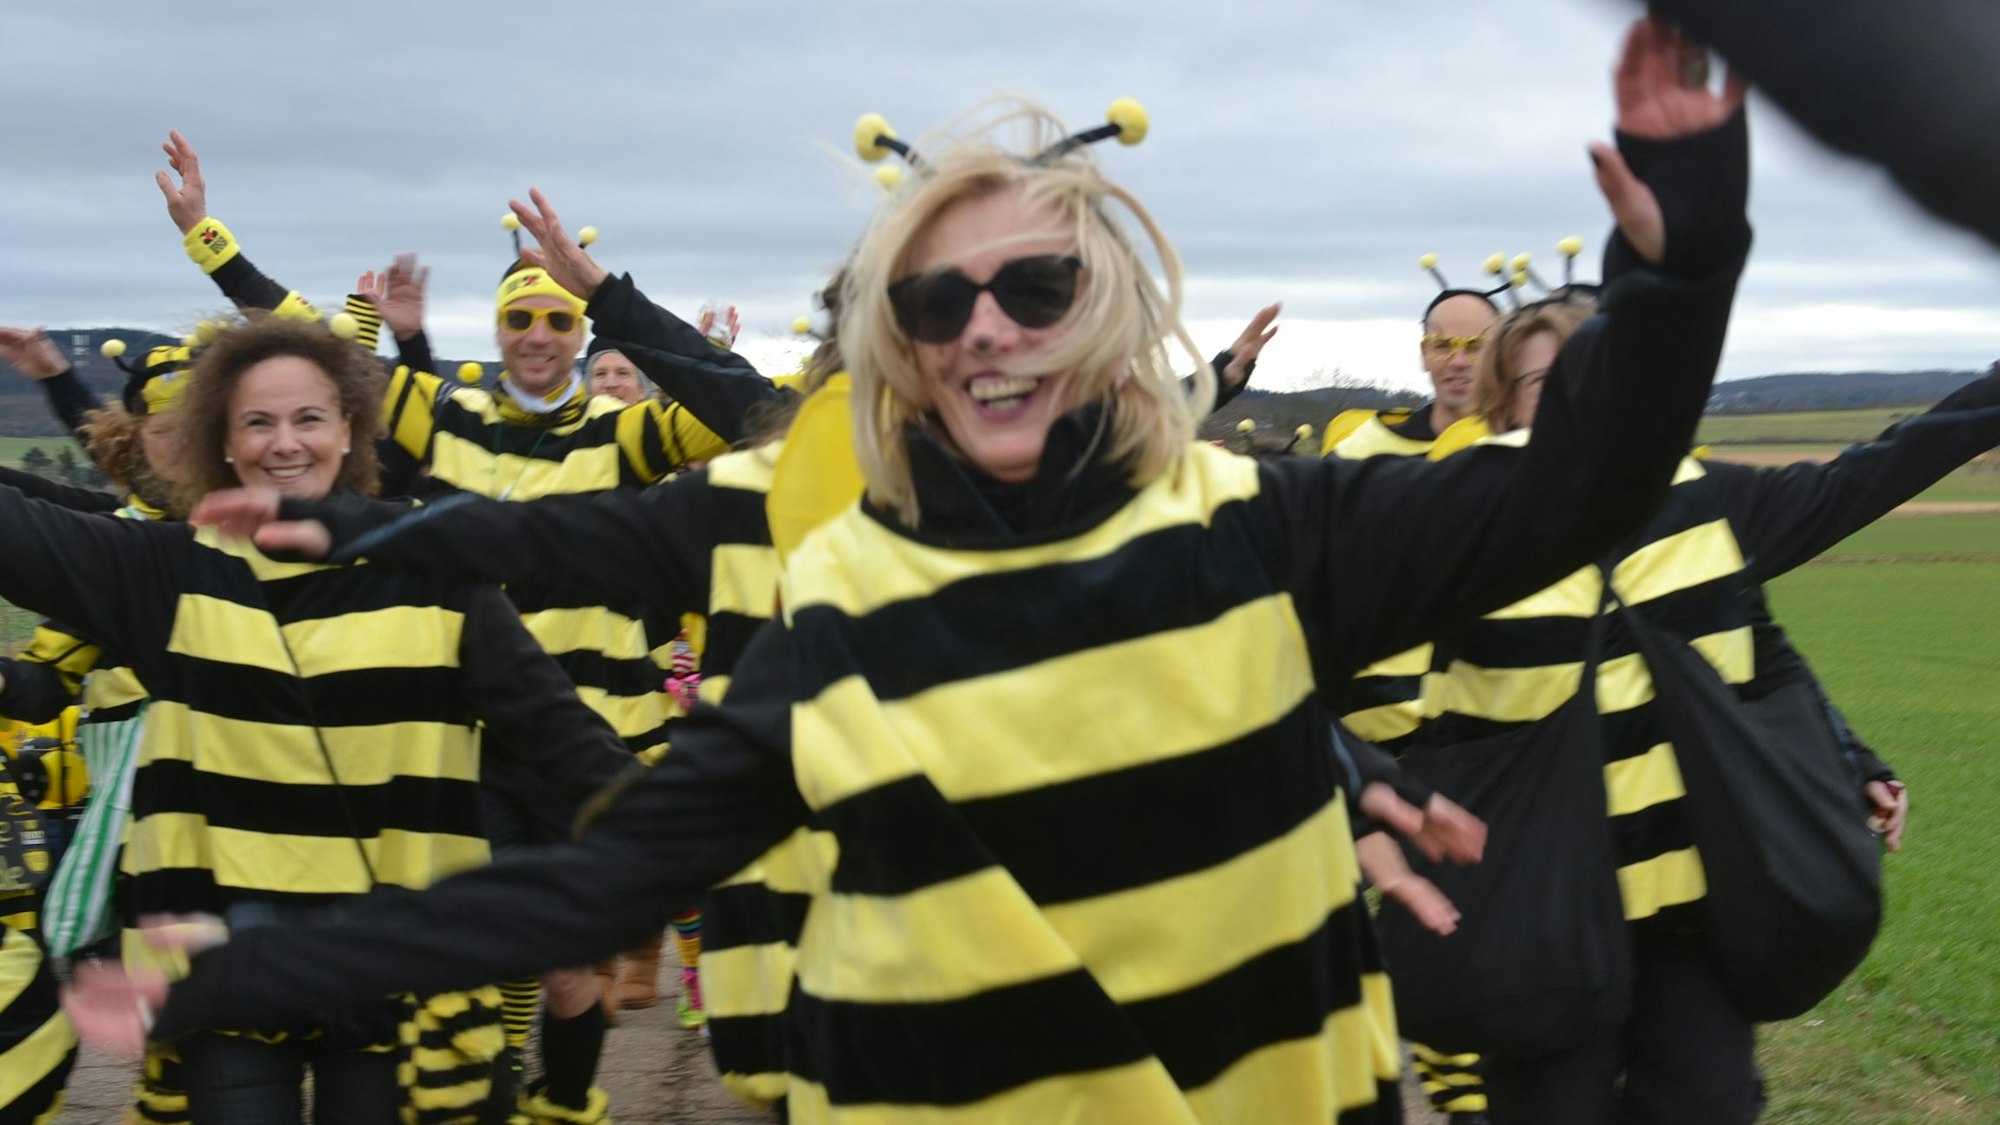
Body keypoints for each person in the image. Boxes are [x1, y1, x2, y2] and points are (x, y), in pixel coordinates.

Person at [80, 36, 1743, 1116]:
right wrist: (211, 970)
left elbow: (1570, 493)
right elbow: (579, 890)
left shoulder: (1262, 527)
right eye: (938, 307)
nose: (991, 332)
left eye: (1032, 286)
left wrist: (1685, 264)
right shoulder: (846, 607)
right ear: (896, 352)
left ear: (1100, 309)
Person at [0, 315, 637, 1124]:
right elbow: (18, 530)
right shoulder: (167, 572)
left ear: (349, 428)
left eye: (308, 418)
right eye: (256, 422)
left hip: (390, 957)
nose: (283, 443)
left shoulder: (432, 567)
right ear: (221, 441)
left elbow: (555, 730)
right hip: (226, 954)